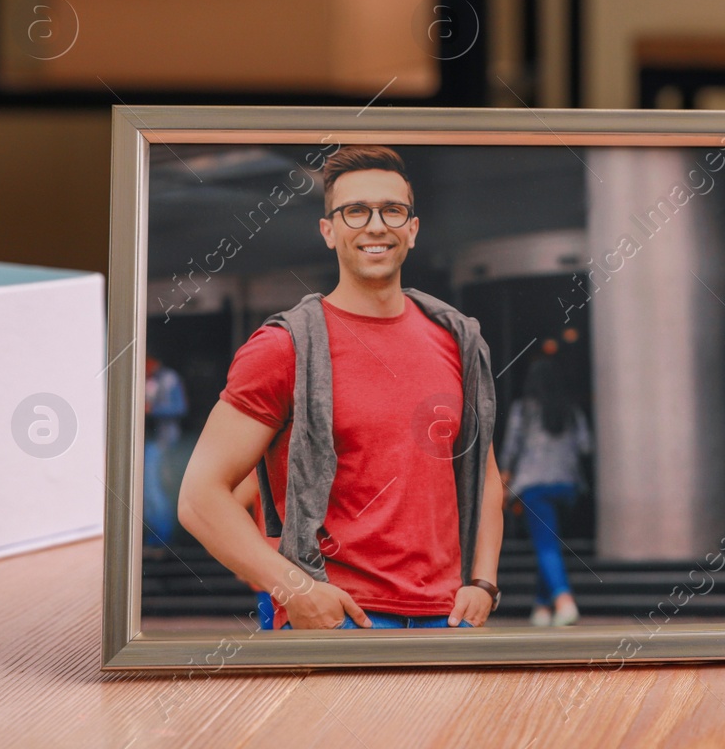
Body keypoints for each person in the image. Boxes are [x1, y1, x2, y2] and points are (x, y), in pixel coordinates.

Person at [178, 145, 504, 630]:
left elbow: (486, 475)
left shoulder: (457, 340)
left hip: (447, 622)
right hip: (342, 620)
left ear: (412, 230)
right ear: (329, 231)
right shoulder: (284, 347)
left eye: (392, 210)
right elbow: (199, 496)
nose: (376, 225)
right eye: (355, 211)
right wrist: (295, 591)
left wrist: (483, 583)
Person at [501, 353, 591, 626]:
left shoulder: (523, 410)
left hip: (534, 487)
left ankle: (564, 602)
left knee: (545, 545)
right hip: (567, 487)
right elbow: (586, 446)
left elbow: (510, 451)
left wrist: (505, 485)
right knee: (549, 543)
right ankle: (541, 607)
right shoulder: (570, 410)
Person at [142, 355, 188, 551]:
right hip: (147, 441)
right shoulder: (146, 379)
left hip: (162, 441)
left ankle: (162, 539)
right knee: (147, 491)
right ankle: (155, 538)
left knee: (155, 489)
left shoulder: (169, 378)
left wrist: (153, 410)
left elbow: (180, 407)